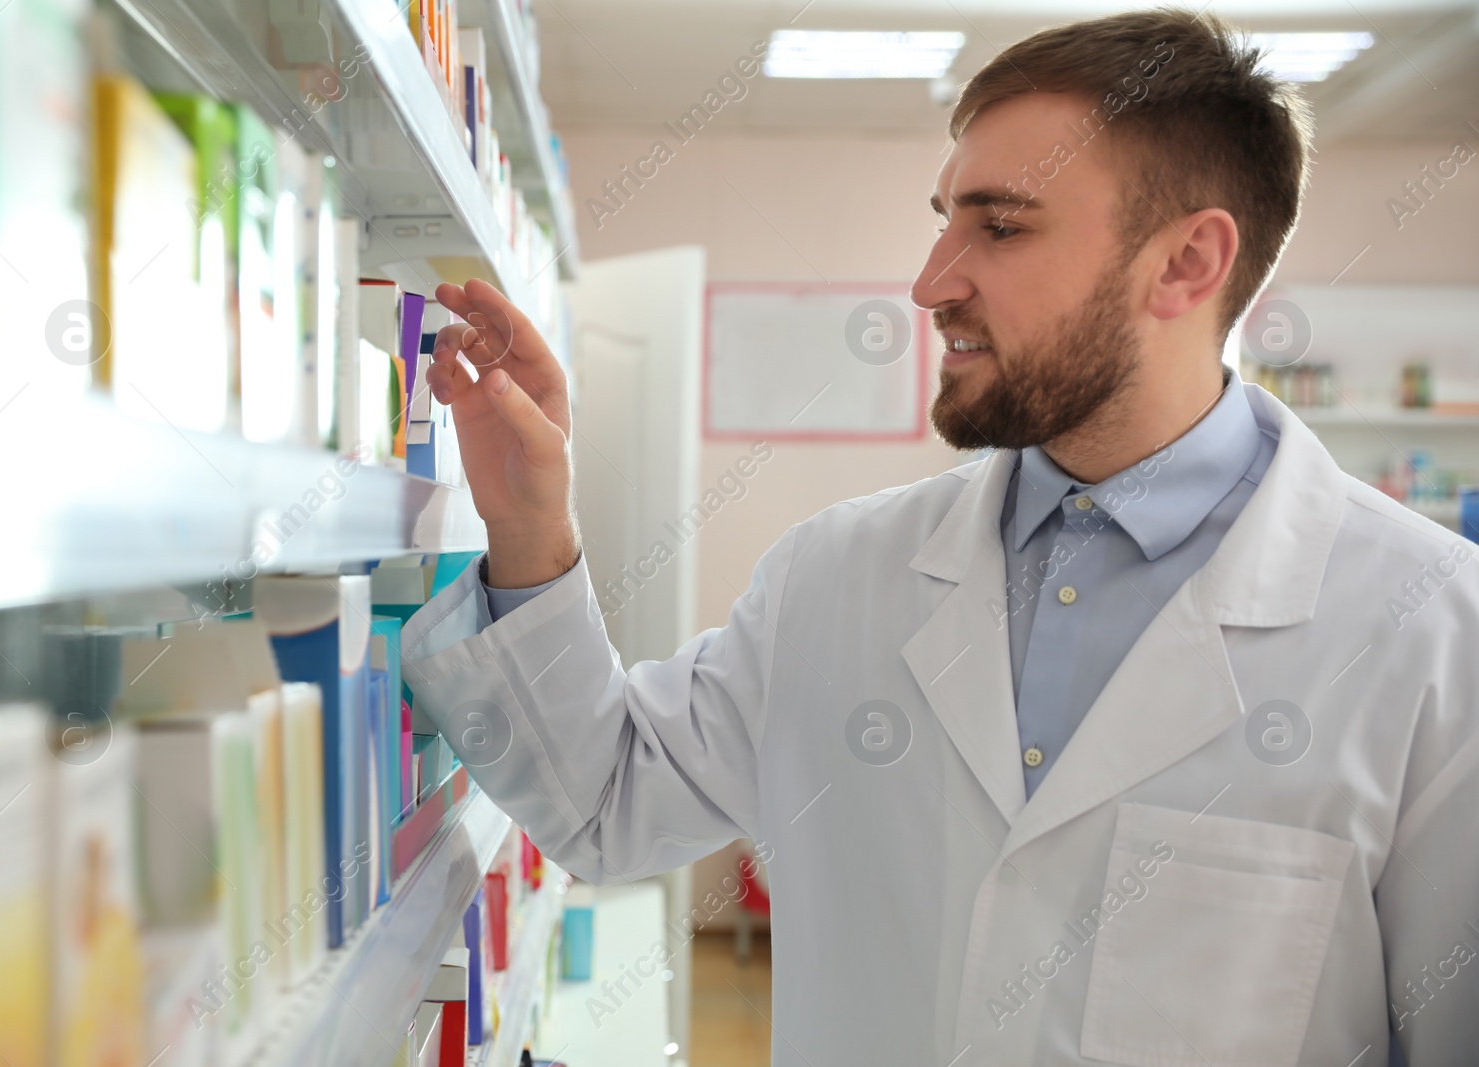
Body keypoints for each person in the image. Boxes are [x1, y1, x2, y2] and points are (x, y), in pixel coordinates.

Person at [407, 8, 1479, 1064]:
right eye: (943, 218)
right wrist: (528, 521)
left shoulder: (1431, 632)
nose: (930, 283)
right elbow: (608, 800)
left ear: (1187, 263)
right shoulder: (838, 575)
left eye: (1000, 226)